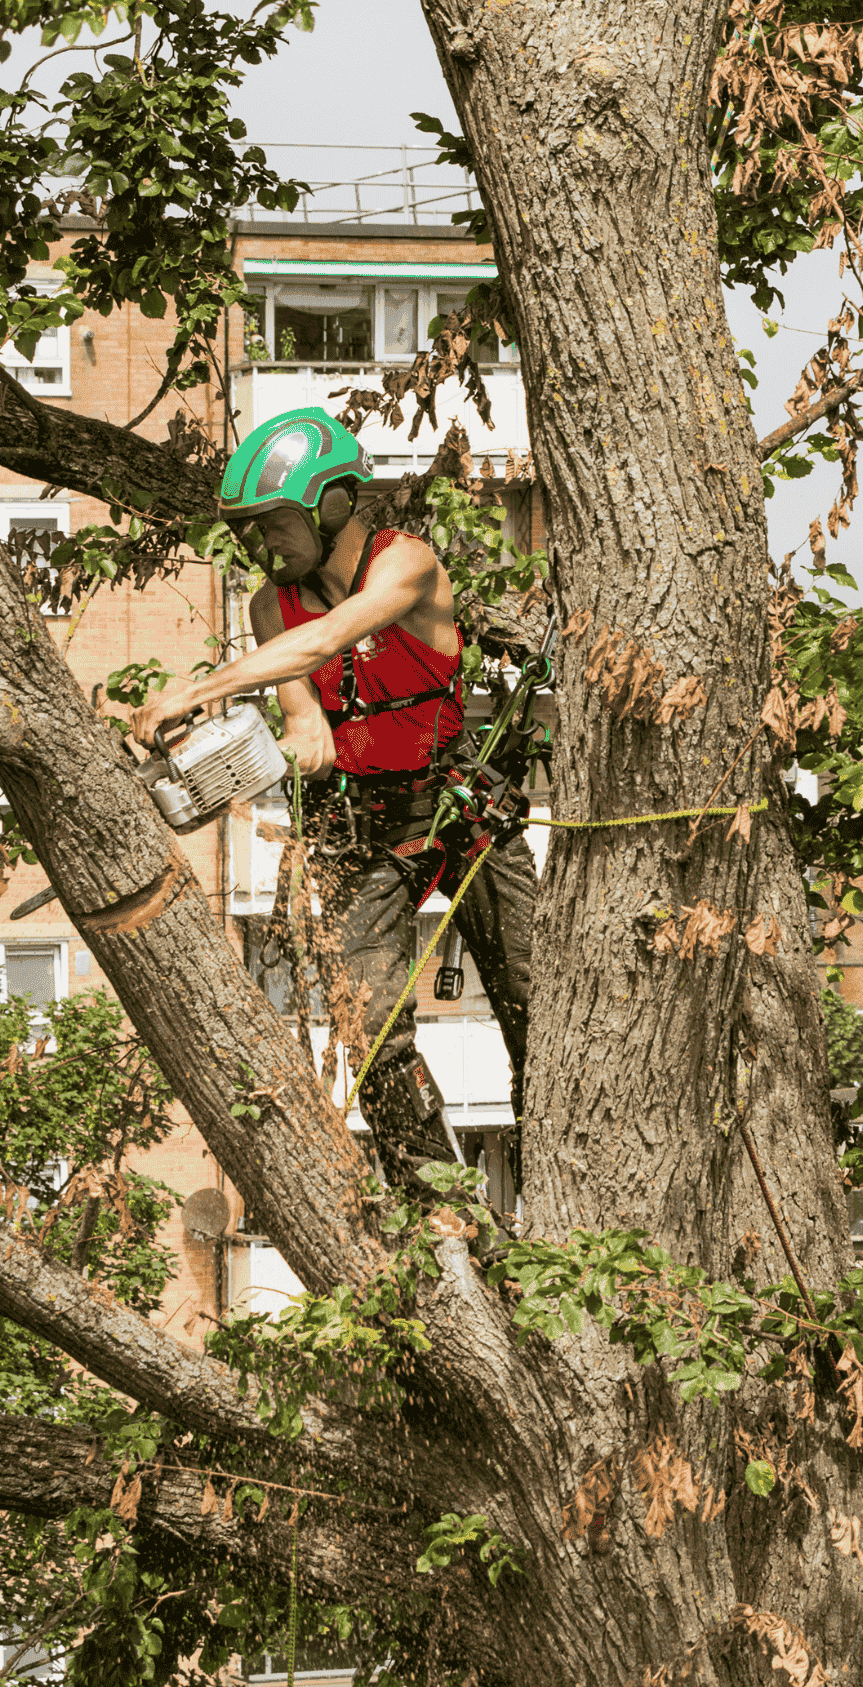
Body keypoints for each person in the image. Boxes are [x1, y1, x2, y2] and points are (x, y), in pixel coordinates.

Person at [137, 406, 535, 1193]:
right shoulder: (267, 609)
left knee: (536, 995)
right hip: (359, 826)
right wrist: (270, 744)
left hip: (456, 806)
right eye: (249, 532)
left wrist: (203, 688)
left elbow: (333, 636)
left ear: (332, 505)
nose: (259, 547)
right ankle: (437, 1205)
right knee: (371, 1028)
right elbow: (305, 723)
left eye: (272, 526)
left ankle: (553, 1164)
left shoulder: (405, 564)